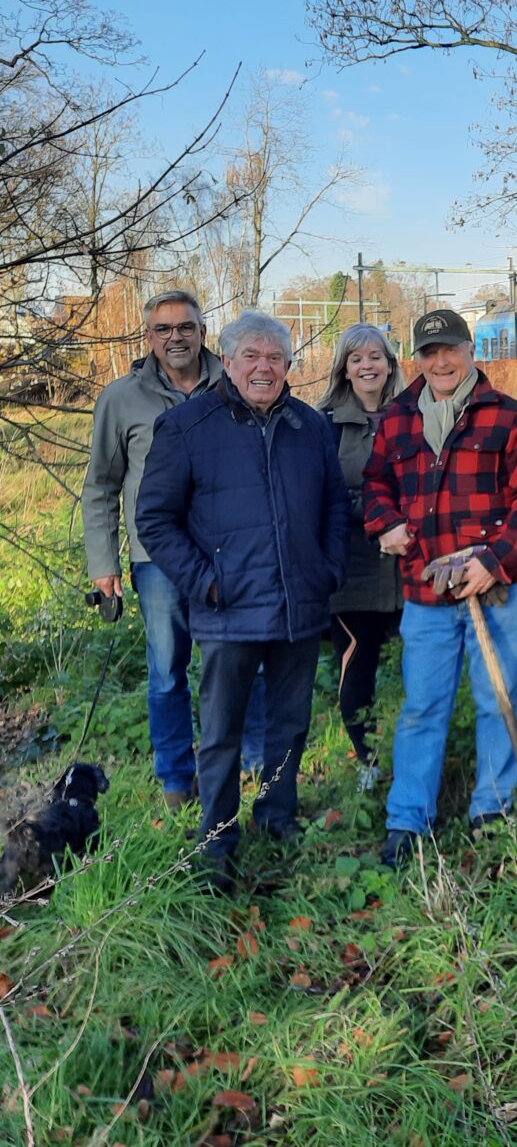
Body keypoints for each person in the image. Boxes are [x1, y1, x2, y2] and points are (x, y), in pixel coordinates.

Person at [136, 310, 350, 891]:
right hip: (228, 611)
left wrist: (326, 569)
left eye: (274, 358)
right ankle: (217, 841)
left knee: (289, 724)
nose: (263, 367)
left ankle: (278, 816)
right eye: (250, 356)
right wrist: (207, 582)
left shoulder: (310, 427)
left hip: (299, 607)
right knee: (224, 732)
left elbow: (335, 507)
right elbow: (154, 520)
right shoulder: (188, 427)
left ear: (288, 365)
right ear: (226, 361)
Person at [363, 309, 517, 866]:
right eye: (429, 353)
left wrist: (494, 561)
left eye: (451, 349)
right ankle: (408, 817)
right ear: (416, 359)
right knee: (423, 705)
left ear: (470, 351)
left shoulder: (509, 417)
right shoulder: (397, 420)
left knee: (499, 698)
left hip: (497, 586)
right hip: (426, 586)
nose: (441, 361)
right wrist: (386, 522)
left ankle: (491, 807)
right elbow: (374, 485)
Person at [81, 288, 266, 811]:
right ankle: (176, 780)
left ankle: (247, 763)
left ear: (203, 332)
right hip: (156, 559)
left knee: (237, 660)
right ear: (148, 337)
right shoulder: (122, 399)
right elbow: (100, 485)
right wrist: (103, 563)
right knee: (167, 670)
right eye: (163, 330)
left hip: (228, 554)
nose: (176, 337)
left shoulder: (233, 382)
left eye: (185, 327)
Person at [318, 323, 406, 789]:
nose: (367, 365)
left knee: (420, 665)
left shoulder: (414, 413)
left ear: (390, 363)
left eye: (376, 356)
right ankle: (367, 760)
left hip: (410, 564)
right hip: (353, 567)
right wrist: (380, 512)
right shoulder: (325, 423)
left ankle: (416, 753)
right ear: (344, 369)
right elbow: (323, 495)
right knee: (358, 664)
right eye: (356, 358)